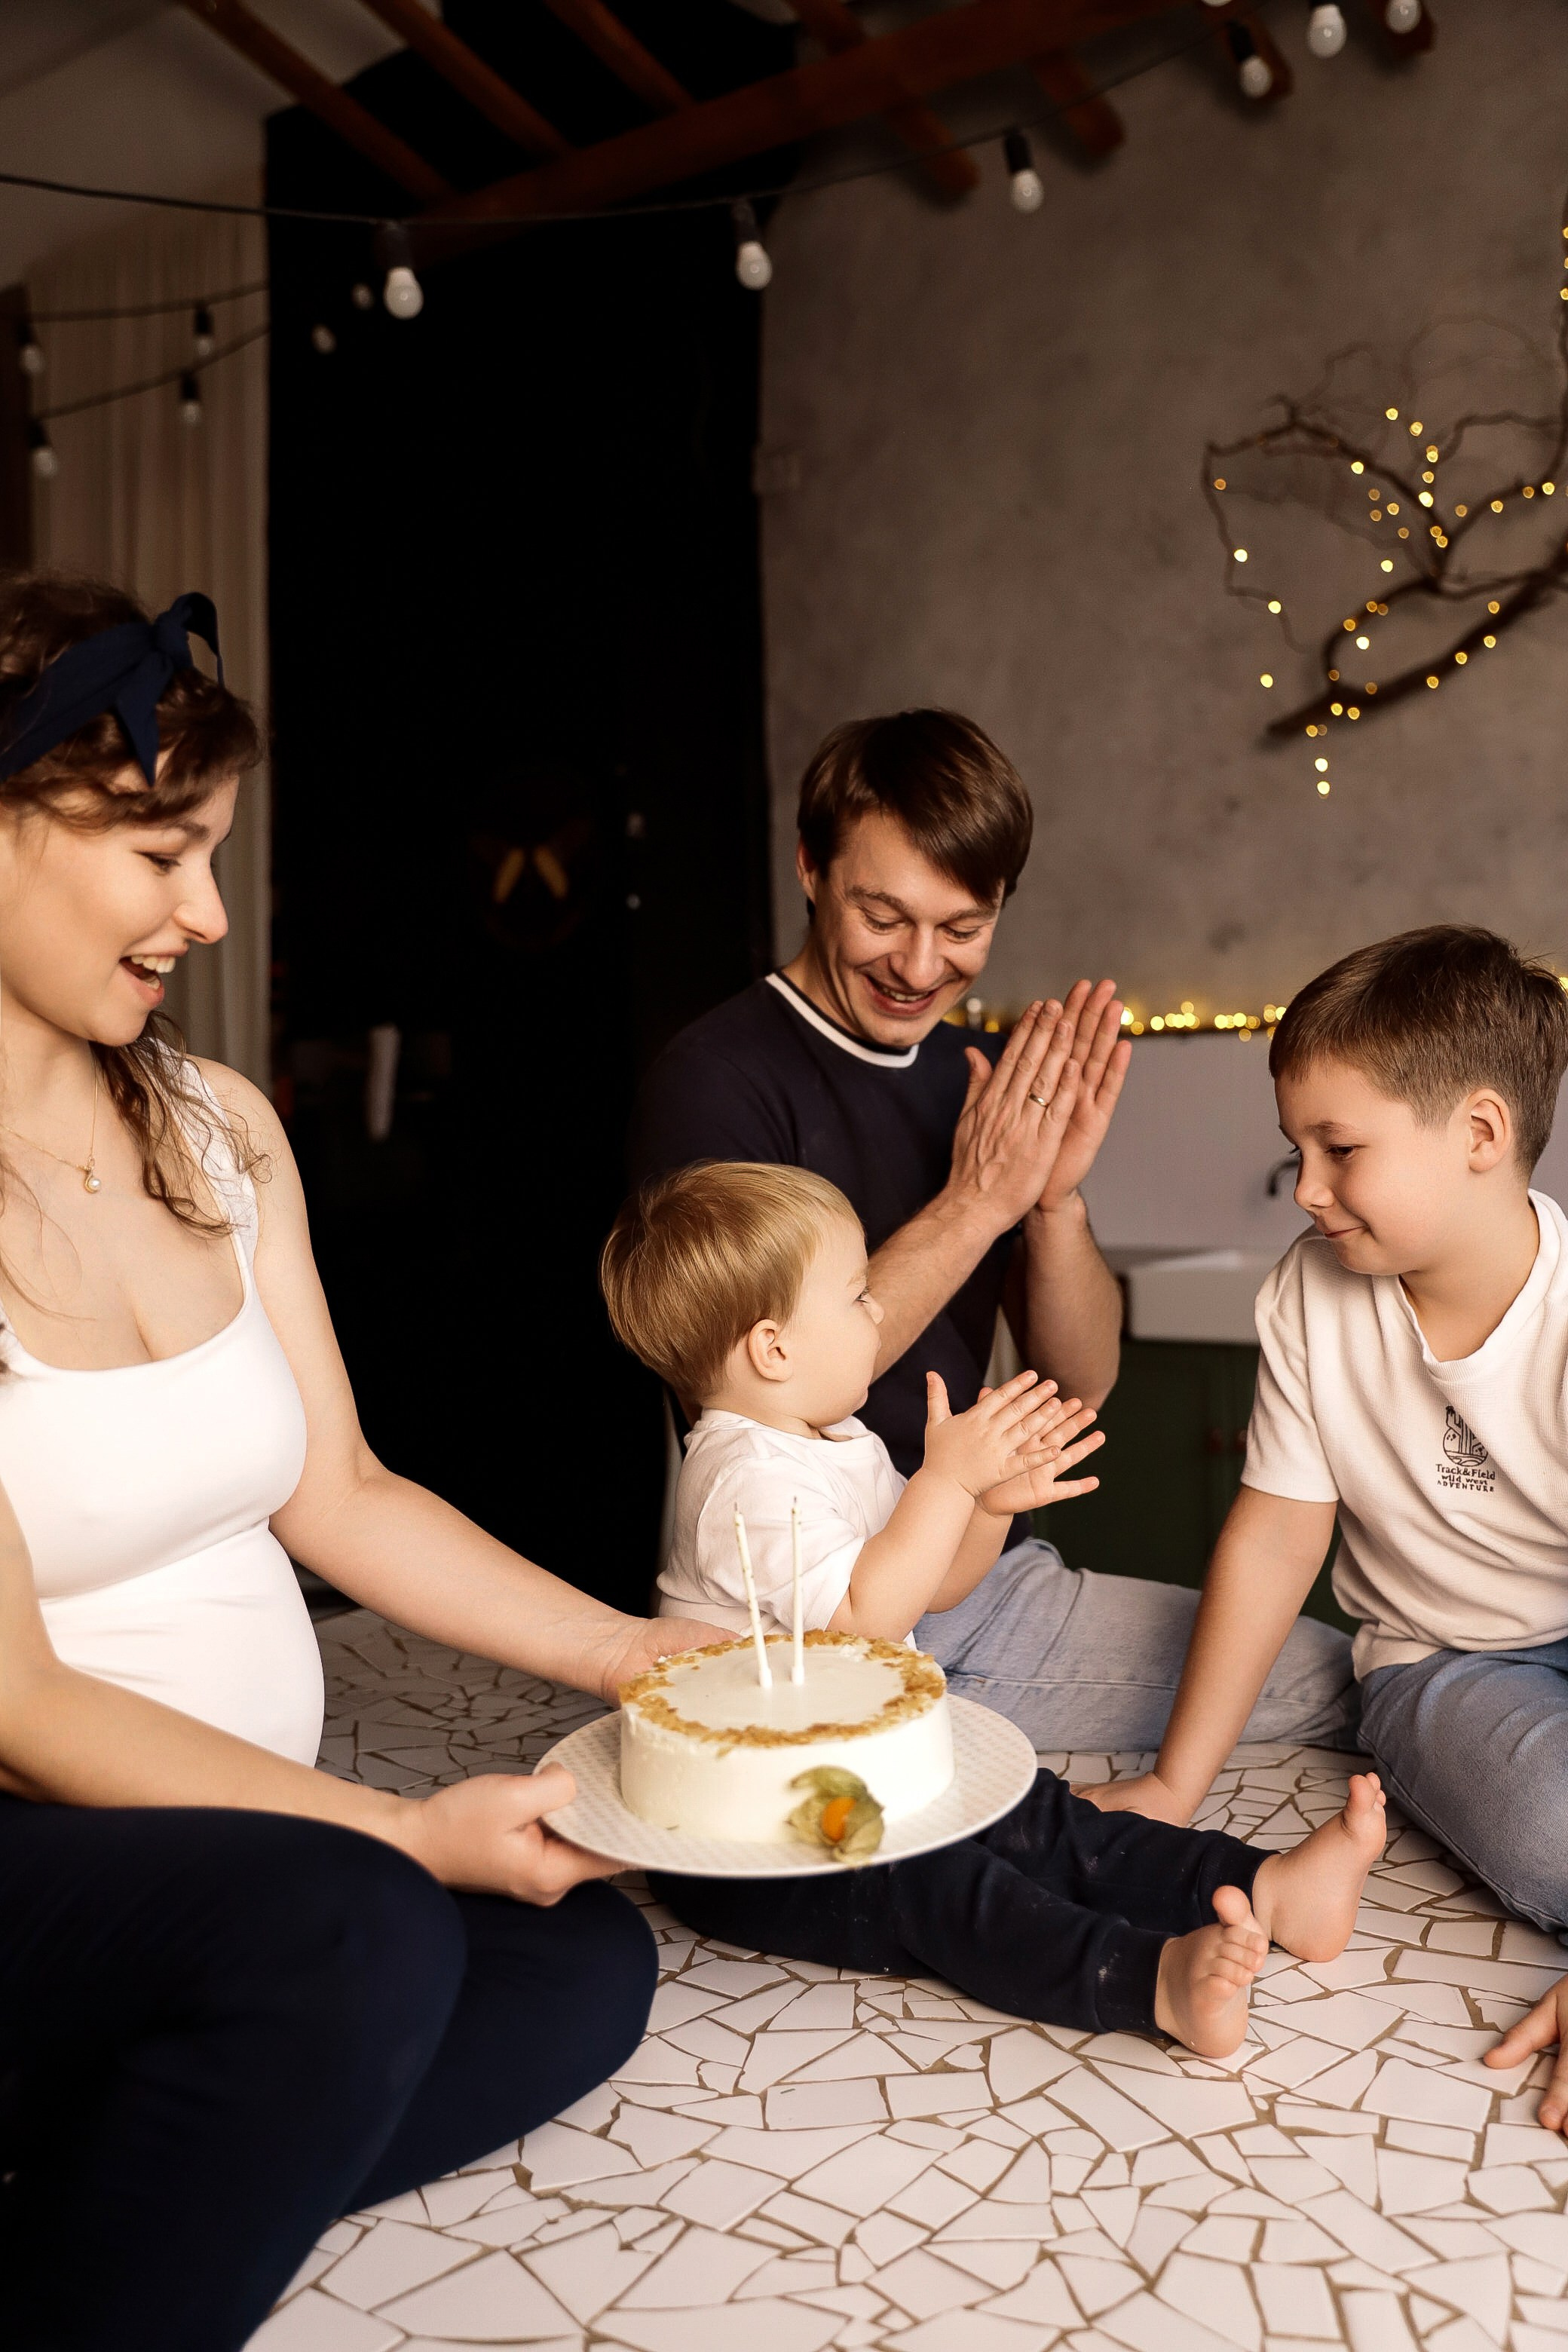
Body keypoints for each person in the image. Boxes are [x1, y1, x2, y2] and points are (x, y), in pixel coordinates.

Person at [0, 572, 726, 2352]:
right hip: (47, 1856)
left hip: (246, 1884)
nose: (211, 910)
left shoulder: (221, 1128)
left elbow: (346, 1492)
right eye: (163, 853)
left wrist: (642, 1655)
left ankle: (115, 2147)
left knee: (587, 1950)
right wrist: (400, 1832)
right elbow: (17, 1697)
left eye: (215, 851)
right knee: (374, 1931)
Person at [632, 707, 1355, 1750]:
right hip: (823, 1607)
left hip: (968, 1563)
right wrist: (976, 1203)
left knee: (1327, 1660)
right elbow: (746, 1366)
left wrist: (1049, 1199)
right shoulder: (717, 1079)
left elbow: (1082, 1380)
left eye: (964, 929)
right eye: (884, 916)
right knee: (1335, 1689)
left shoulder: (975, 1085)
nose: (921, 967)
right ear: (809, 867)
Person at [599, 1156, 1387, 2054]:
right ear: (773, 1348)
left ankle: (1269, 1886)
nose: (878, 1314)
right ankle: (1147, 1981)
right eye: (857, 1298)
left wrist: (980, 1506)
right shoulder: (739, 1480)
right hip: (759, 1841)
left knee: (1035, 1814)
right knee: (950, 1886)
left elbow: (928, 1588)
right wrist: (946, 1478)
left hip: (859, 1775)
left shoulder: (828, 1439)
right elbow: (855, 1625)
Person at [1073, 926, 1568, 2131]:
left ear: (1481, 1136)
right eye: (1296, 1150)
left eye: (1339, 1149)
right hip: (1443, 1663)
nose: (1305, 1188)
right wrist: (1175, 1785)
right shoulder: (1308, 1291)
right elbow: (1274, 1539)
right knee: (1552, 1825)